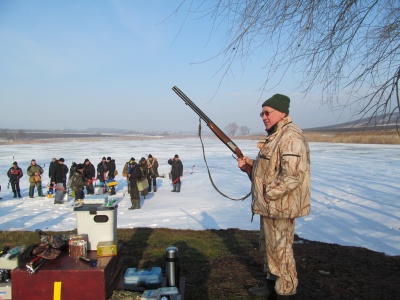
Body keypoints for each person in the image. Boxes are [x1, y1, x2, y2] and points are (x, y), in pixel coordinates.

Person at [237, 94, 311, 300]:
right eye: (262, 113)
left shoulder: (291, 137)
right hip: (270, 207)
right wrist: (249, 166)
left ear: (282, 113)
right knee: (267, 247)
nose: (263, 117)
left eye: (267, 112)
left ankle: (285, 293)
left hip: (280, 207)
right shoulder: (276, 135)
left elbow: (292, 176)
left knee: (281, 253)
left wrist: (267, 194)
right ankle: (270, 286)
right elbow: (269, 171)